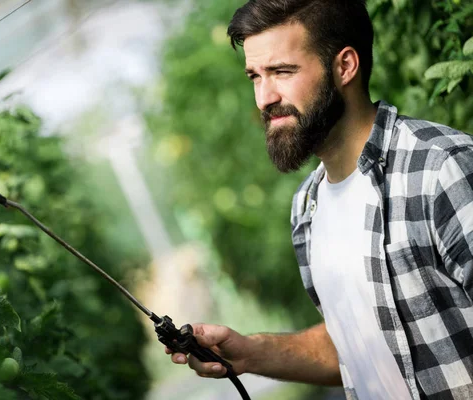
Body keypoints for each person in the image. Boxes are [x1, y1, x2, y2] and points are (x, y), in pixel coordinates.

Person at [166, 1, 473, 399]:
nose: (263, 97)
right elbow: (354, 347)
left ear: (345, 66)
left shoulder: (441, 170)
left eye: (281, 72)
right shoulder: (307, 208)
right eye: (254, 76)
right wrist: (250, 353)